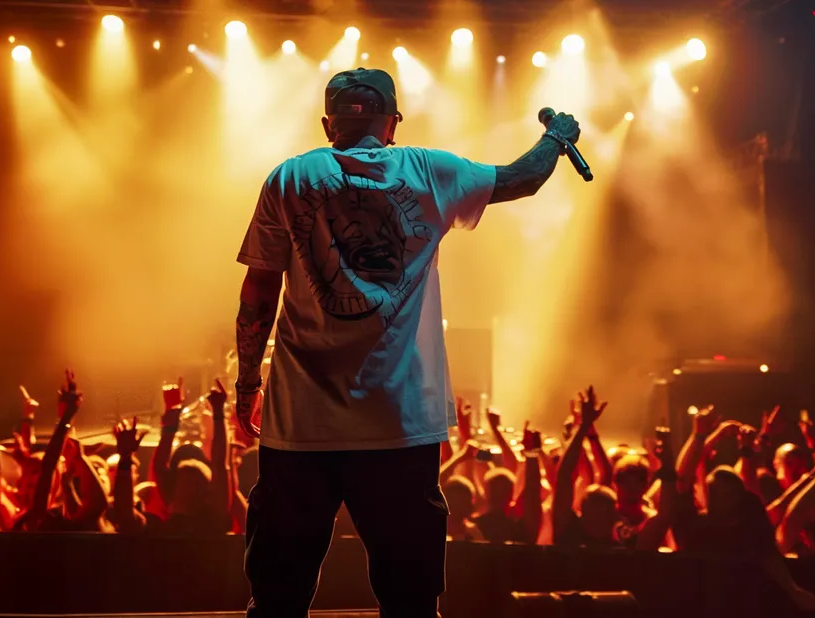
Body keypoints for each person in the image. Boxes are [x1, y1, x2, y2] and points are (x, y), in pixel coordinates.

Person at [232, 67, 580, 618]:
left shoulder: (287, 179)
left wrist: (247, 383)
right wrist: (557, 137)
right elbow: (522, 178)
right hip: (398, 423)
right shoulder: (428, 170)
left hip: (300, 424)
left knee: (278, 599)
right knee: (410, 603)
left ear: (328, 124)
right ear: (392, 121)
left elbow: (258, 291)